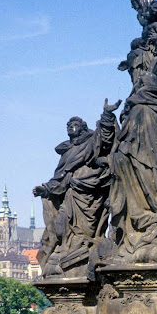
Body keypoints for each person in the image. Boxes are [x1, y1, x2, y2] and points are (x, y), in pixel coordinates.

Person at [33, 99, 120, 278]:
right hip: (70, 194)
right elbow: (60, 176)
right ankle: (63, 251)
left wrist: (107, 115)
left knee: (84, 233)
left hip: (89, 195)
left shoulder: (90, 141)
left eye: (74, 124)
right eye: (68, 124)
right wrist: (46, 189)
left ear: (82, 128)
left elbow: (105, 138)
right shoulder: (67, 150)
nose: (70, 126)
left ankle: (80, 253)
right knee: (60, 225)